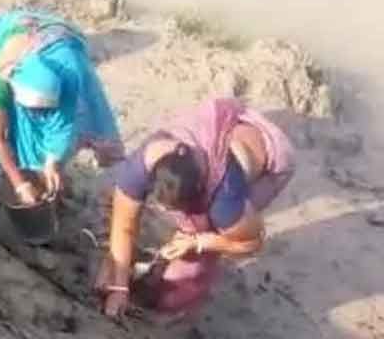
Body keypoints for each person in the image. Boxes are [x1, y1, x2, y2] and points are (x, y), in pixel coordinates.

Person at [95, 96, 295, 320]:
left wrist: (199, 242)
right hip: (230, 124)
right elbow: (124, 223)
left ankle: (180, 313)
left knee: (176, 293)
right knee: (119, 255)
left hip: (272, 156)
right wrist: (119, 285)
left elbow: (253, 242)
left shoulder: (224, 202)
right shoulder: (148, 158)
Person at [0, 9, 125, 204]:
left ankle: (34, 170)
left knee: (80, 115)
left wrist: (52, 163)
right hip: (15, 30)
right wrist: (20, 184)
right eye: (33, 110)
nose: (38, 115)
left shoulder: (68, 81)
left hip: (63, 41)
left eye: (44, 111)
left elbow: (62, 127)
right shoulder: (2, 81)